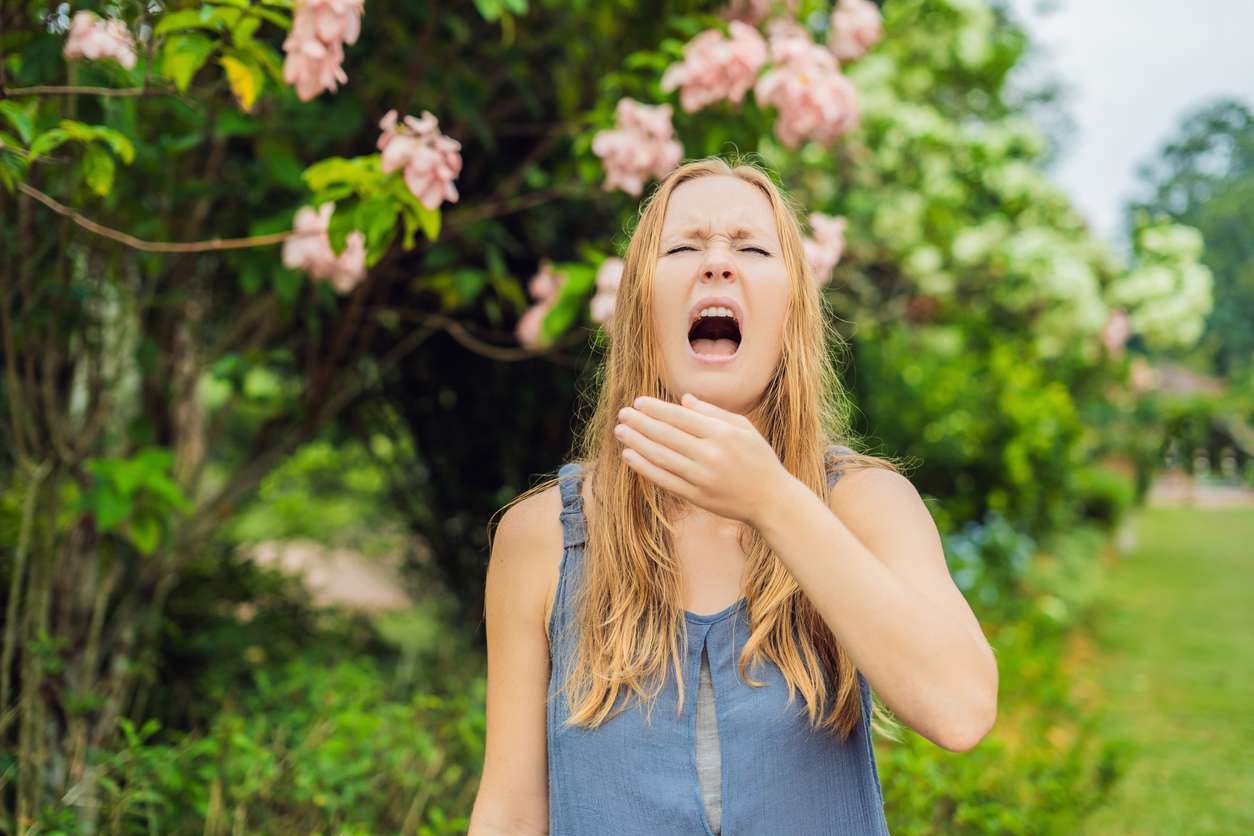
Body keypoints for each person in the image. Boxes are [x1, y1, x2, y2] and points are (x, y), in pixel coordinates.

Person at [470, 156, 998, 835]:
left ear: (790, 312)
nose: (717, 263)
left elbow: (959, 711)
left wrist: (774, 501)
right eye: (685, 246)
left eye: (750, 248)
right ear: (639, 306)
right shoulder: (541, 536)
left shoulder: (867, 505)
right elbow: (511, 810)